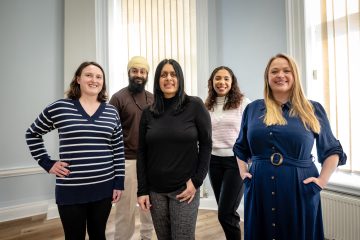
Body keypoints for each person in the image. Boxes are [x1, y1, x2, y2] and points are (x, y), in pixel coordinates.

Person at [233, 53, 347, 240]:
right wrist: (242, 172)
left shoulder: (312, 109)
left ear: (295, 75)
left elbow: (332, 150)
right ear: (267, 77)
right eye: (274, 71)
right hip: (259, 187)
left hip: (300, 188)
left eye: (287, 71)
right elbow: (240, 147)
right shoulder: (252, 109)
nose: (280, 75)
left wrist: (322, 181)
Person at [25, 61, 125, 240]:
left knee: (98, 235)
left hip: (104, 189)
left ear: (103, 82)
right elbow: (32, 133)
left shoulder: (112, 112)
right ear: (78, 79)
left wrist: (118, 182)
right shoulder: (60, 108)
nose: (94, 80)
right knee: (74, 237)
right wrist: (48, 163)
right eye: (88, 75)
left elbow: (118, 149)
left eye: (99, 76)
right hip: (71, 189)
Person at [136, 59, 212, 240]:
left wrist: (196, 181)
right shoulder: (148, 112)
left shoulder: (195, 106)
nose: (168, 78)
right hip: (156, 191)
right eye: (163, 75)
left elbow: (207, 145)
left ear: (180, 78)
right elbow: (142, 152)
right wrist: (142, 191)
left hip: (184, 189)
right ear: (157, 80)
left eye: (173, 74)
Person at [109, 56, 154, 240]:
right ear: (128, 73)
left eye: (142, 71)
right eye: (134, 70)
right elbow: (109, 133)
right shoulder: (118, 98)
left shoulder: (153, 98)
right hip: (127, 162)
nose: (138, 74)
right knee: (125, 211)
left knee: (149, 208)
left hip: (151, 162)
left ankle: (146, 237)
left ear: (147, 75)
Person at [205, 66, 251, 240]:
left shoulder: (243, 103)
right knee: (226, 212)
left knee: (225, 213)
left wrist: (249, 157)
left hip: (236, 162)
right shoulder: (206, 104)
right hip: (213, 161)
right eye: (218, 78)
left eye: (226, 78)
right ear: (212, 82)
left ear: (232, 82)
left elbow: (251, 131)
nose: (221, 82)